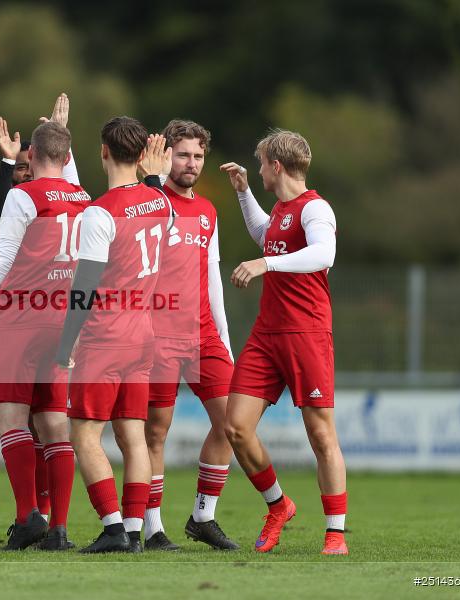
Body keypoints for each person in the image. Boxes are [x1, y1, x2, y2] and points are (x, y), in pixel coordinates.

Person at [0, 115, 89, 551]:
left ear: (30, 156)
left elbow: (3, 255)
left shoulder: (24, 194)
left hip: (21, 319)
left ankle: (26, 516)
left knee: (9, 419)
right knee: (53, 424)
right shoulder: (84, 198)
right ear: (68, 157)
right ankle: (60, 529)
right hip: (64, 318)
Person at [219, 129, 347, 555]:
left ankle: (335, 534)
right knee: (236, 427)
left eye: (260, 165)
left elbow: (322, 254)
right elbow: (267, 236)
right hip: (266, 333)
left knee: (320, 434)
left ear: (276, 166)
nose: (258, 171)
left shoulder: (316, 208)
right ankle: (279, 506)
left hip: (306, 332)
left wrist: (264, 264)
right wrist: (243, 193)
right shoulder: (280, 209)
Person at [56, 116, 173, 553]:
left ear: (103, 151)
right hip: (144, 332)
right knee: (133, 435)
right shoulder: (161, 203)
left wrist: (66, 344)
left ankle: (112, 529)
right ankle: (135, 529)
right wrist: (155, 176)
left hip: (106, 334)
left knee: (84, 435)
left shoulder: (100, 212)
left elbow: (84, 287)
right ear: (141, 156)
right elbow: (158, 197)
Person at [139, 121, 239, 551]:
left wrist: (225, 337)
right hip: (156, 335)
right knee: (155, 433)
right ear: (166, 156)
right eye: (183, 155)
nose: (192, 163)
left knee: (234, 421)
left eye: (198, 156)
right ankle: (153, 528)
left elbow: (212, 276)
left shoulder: (208, 211)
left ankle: (203, 516)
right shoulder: (146, 201)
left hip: (202, 336)